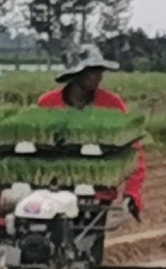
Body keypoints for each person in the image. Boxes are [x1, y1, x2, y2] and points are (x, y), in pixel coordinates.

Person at [38, 47, 145, 211]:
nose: (99, 76)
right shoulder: (48, 104)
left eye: (100, 71)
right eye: (92, 71)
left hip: (98, 193)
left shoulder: (112, 105)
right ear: (76, 74)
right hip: (54, 190)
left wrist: (132, 192)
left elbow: (133, 152)